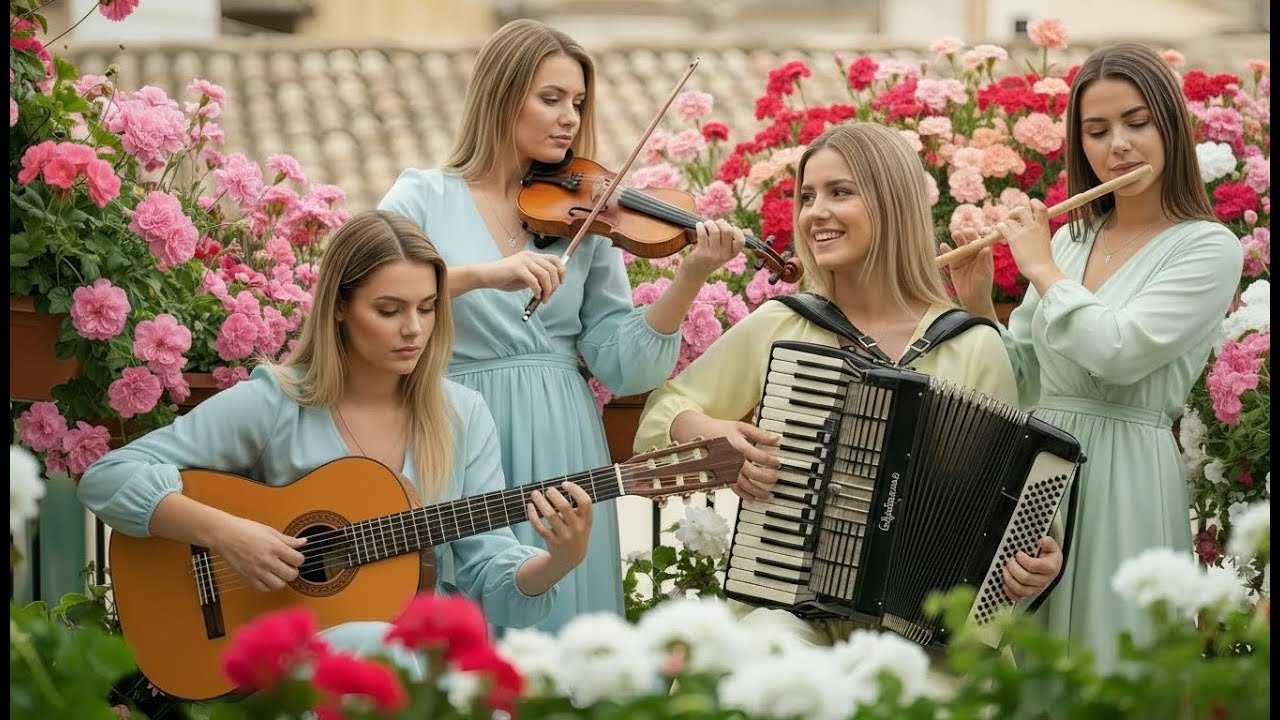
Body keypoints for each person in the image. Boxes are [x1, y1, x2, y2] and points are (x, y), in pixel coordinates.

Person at [77, 210, 594, 663]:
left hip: (416, 662)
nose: (414, 329)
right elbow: (107, 476)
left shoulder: (462, 414)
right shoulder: (276, 403)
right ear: (340, 307)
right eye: (389, 310)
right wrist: (228, 535)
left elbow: (489, 574)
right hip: (296, 659)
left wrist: (559, 561)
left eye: (427, 307)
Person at [635, 123, 1065, 653]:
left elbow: (1015, 505)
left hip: (925, 638)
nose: (815, 212)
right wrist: (713, 433)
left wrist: (1036, 561)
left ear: (892, 204)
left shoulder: (972, 345)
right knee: (762, 659)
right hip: (790, 614)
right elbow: (662, 413)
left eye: (840, 192)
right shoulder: (782, 324)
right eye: (807, 197)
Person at [378, 18, 746, 632]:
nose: (570, 118)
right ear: (502, 97)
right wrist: (483, 275)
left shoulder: (586, 216)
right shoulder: (423, 196)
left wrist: (689, 278)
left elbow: (620, 364)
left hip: (561, 435)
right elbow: (366, 287)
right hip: (447, 425)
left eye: (577, 102)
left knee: (562, 619)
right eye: (550, 99)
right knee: (458, 617)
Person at [941, 42, 1244, 673]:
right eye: (1097, 131)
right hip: (1040, 471)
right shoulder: (1071, 241)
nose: (1118, 146)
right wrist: (977, 302)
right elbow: (1022, 378)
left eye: (1137, 123)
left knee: (1113, 660)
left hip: (1127, 472)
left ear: (1170, 125)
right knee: (1027, 669)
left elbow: (1120, 352)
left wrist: (1041, 269)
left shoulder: (1208, 247)